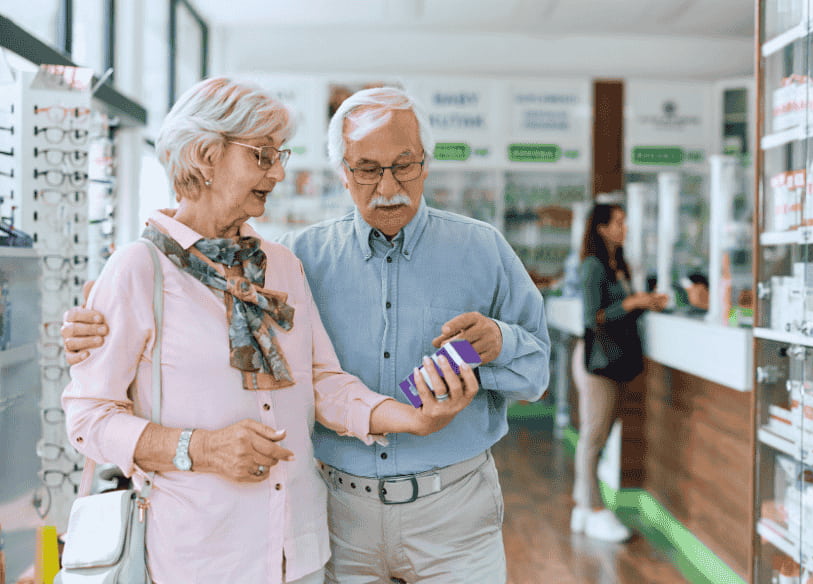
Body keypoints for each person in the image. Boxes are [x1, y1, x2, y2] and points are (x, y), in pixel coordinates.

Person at [64, 86, 550, 584]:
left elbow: (322, 383)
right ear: (207, 156)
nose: (277, 173)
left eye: (403, 165)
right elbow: (88, 417)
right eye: (264, 156)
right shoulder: (141, 270)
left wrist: (415, 419)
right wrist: (201, 447)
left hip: (305, 549)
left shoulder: (280, 265)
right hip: (204, 551)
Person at [569, 203, 667, 542]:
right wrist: (632, 303)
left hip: (614, 360)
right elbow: (591, 318)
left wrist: (643, 304)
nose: (625, 228)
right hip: (597, 362)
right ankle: (594, 509)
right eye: (619, 222)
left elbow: (618, 315)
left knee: (600, 436)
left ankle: (582, 507)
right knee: (593, 438)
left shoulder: (618, 265)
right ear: (601, 228)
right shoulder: (593, 267)